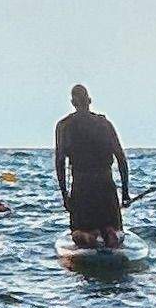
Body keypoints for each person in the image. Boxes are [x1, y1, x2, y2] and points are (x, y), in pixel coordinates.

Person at [54, 84, 132, 245]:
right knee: (111, 227)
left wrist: (64, 195)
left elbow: (60, 162)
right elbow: (121, 159)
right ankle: (110, 235)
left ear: (73, 103)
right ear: (89, 100)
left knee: (79, 232)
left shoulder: (64, 126)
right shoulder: (104, 124)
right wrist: (125, 193)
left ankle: (89, 237)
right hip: (106, 185)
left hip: (82, 186)